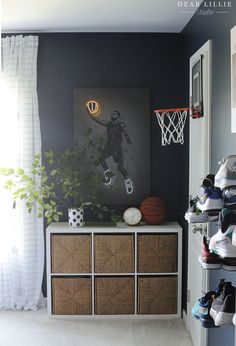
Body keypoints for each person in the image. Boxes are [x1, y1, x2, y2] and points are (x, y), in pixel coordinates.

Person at [89, 110, 134, 195]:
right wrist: (91, 115)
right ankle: (110, 175)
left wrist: (128, 139)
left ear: (117, 116)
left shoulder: (121, 124)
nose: (112, 114)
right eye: (112, 113)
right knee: (101, 159)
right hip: (109, 146)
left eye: (114, 114)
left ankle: (128, 182)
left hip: (117, 147)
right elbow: (99, 120)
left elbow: (126, 132)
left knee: (120, 167)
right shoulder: (108, 123)